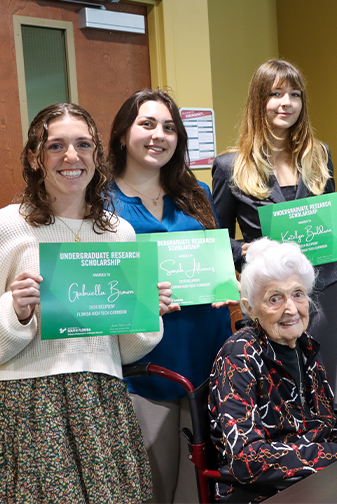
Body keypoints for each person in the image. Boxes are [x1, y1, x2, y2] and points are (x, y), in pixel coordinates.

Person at [0, 103, 166, 503]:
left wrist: (146, 311)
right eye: (55, 146)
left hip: (102, 400)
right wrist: (15, 312)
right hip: (32, 404)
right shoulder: (4, 227)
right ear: (35, 156)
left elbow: (123, 348)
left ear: (97, 156)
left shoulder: (119, 233)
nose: (71, 157)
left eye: (83, 144)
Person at [212, 59, 337, 399]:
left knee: (326, 388)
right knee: (278, 390)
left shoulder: (319, 156)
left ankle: (330, 450)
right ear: (258, 101)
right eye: (277, 94)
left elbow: (325, 222)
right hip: (270, 297)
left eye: (295, 94)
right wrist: (244, 250)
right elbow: (215, 241)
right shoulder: (230, 166)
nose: (287, 103)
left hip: (325, 289)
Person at [107, 88, 233, 503]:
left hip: (210, 350)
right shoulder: (100, 203)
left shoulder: (194, 191)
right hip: (147, 363)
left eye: (169, 127)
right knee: (153, 483)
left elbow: (217, 256)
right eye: (147, 124)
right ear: (124, 134)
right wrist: (138, 299)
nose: (159, 134)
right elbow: (96, 289)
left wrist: (227, 285)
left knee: (205, 483)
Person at [208, 238, 337, 503]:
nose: (291, 309)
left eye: (298, 294)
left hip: (314, 474)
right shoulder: (239, 356)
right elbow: (247, 460)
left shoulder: (304, 345)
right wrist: (334, 455)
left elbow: (326, 422)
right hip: (262, 491)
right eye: (275, 299)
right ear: (250, 307)